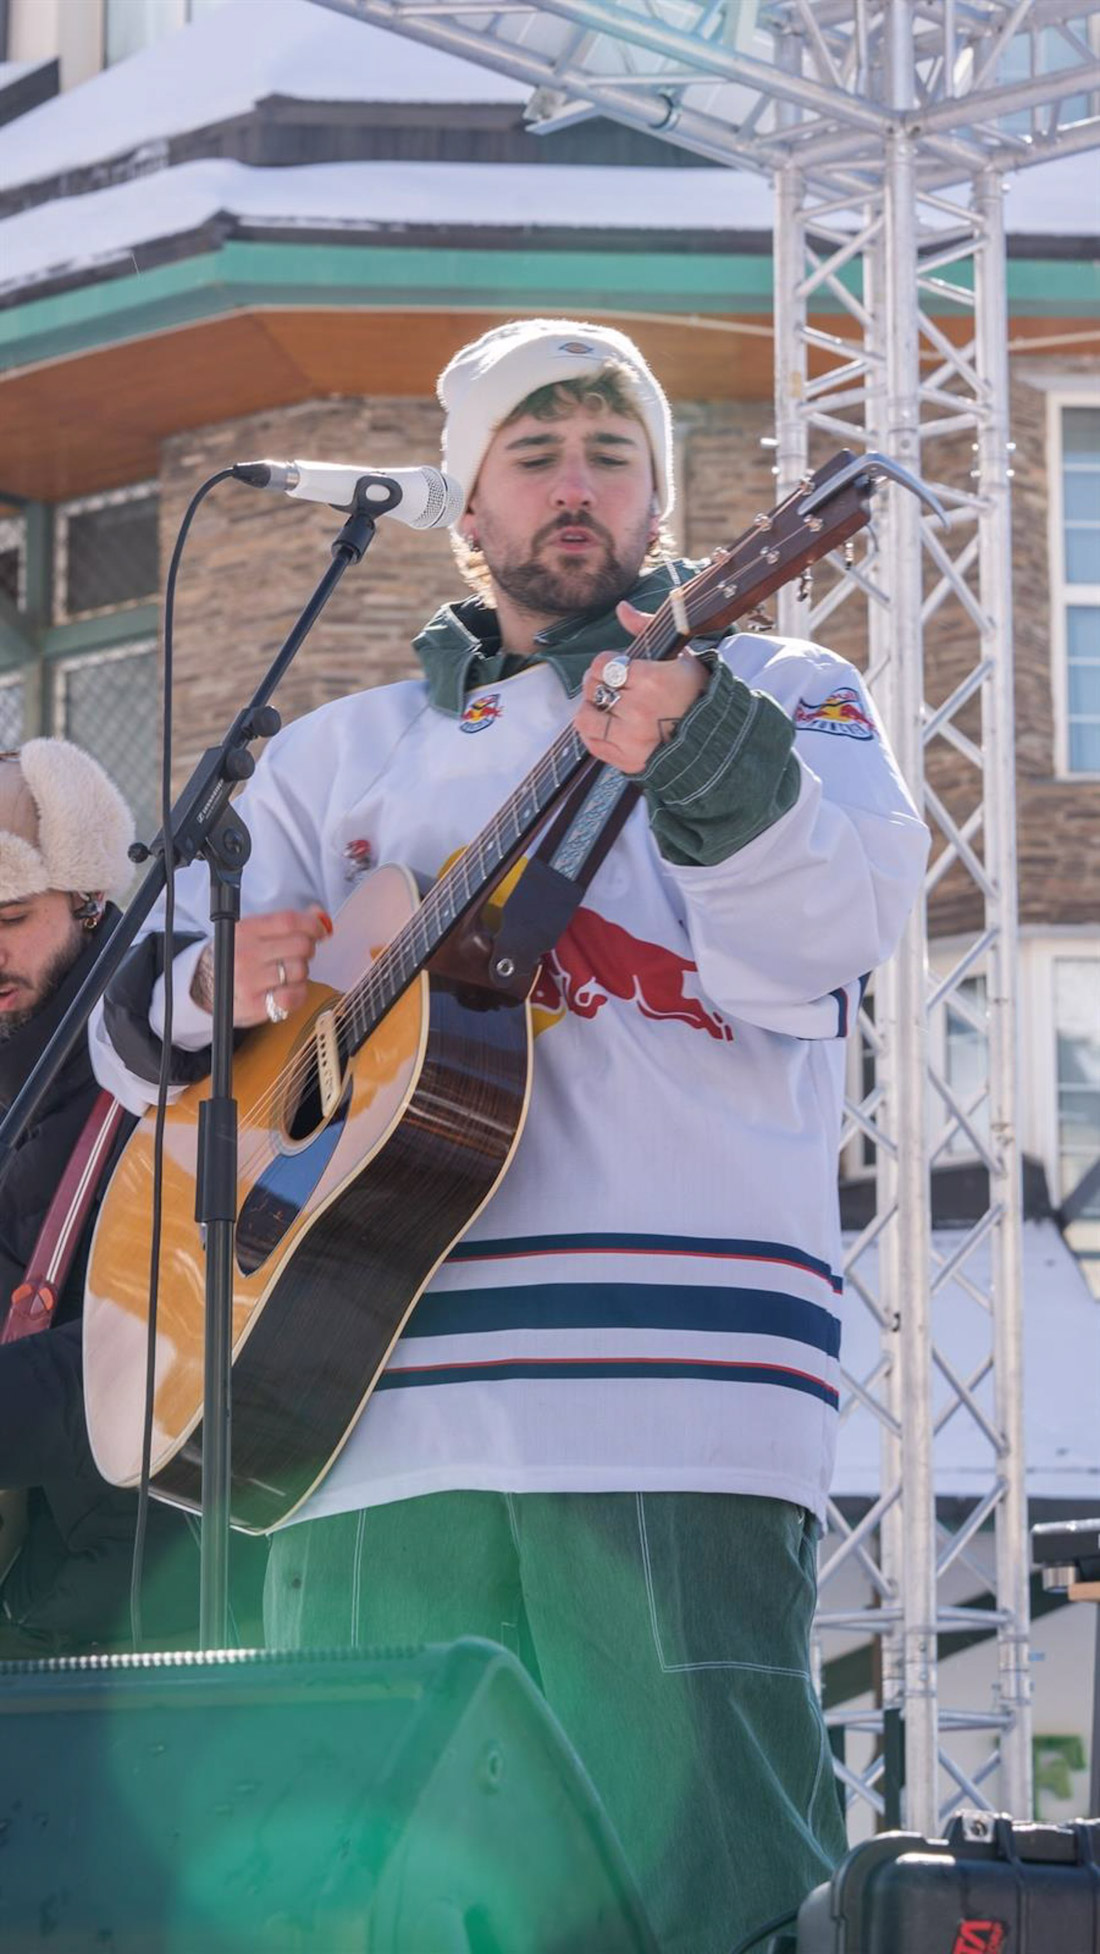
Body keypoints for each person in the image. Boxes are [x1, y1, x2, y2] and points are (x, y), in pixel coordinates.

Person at [91, 319, 929, 1950]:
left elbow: (839, 925)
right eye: (532, 456)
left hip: (666, 1401)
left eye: (612, 454)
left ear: (666, 502)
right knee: (362, 1891)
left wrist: (702, 754)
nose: (576, 488)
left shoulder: (784, 689)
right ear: (465, 512)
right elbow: (136, 1057)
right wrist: (224, 979)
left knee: (714, 1886)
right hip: (354, 1407)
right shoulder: (333, 756)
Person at [0, 739, 214, 1655]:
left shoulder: (179, 1023)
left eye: (10, 915)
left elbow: (190, 1322)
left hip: (145, 1586)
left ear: (89, 902)